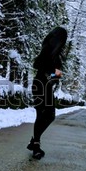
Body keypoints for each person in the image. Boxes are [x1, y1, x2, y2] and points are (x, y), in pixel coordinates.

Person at [27, 26, 68, 159]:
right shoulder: (47, 49)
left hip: (47, 87)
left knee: (50, 115)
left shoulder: (57, 54)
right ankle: (36, 146)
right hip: (39, 85)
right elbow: (37, 65)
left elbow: (56, 74)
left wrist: (56, 75)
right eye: (62, 39)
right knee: (42, 114)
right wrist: (52, 74)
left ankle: (34, 142)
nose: (63, 42)